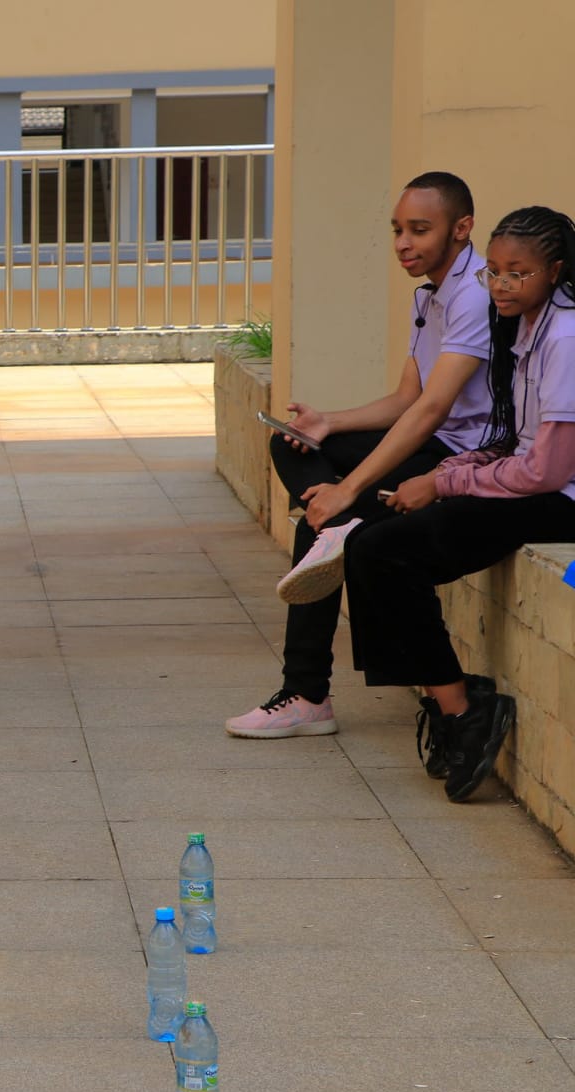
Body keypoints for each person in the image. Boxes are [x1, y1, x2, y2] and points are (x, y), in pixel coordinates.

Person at [226, 173, 495, 742]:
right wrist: (329, 423)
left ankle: (307, 694)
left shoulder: (475, 293)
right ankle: (335, 537)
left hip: (462, 455)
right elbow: (404, 397)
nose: (403, 243)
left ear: (462, 228)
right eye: (398, 230)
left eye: (420, 230)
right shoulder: (430, 295)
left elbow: (429, 412)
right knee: (294, 443)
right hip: (431, 438)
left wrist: (347, 491)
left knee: (323, 518)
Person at [334, 205, 575, 799]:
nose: (500, 285)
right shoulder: (525, 324)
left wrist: (444, 484)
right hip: (532, 486)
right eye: (493, 271)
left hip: (561, 500)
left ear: (556, 272)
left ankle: (461, 710)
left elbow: (548, 470)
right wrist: (459, 465)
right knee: (368, 540)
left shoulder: (566, 336)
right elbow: (518, 441)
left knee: (388, 551)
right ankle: (451, 703)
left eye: (518, 273)